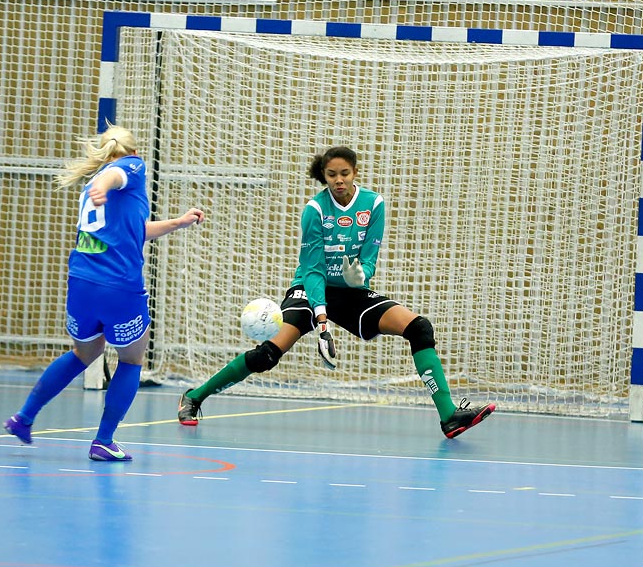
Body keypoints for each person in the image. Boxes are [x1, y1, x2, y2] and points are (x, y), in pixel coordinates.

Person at [176, 145, 494, 439]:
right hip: (311, 289)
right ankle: (194, 397)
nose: (338, 181)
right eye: (331, 175)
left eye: (344, 173)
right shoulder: (315, 210)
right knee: (267, 355)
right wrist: (322, 320)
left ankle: (450, 415)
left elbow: (368, 258)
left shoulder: (374, 205)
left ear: (355, 172)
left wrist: (360, 276)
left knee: (418, 328)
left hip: (350, 292)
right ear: (324, 176)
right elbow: (313, 270)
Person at [4, 126, 204, 461]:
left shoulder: (95, 189)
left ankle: (23, 418)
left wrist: (177, 222)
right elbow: (114, 174)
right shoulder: (131, 167)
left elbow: (133, 232)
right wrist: (102, 183)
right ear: (131, 151)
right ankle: (103, 441)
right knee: (132, 359)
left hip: (81, 283)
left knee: (84, 353)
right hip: (119, 287)